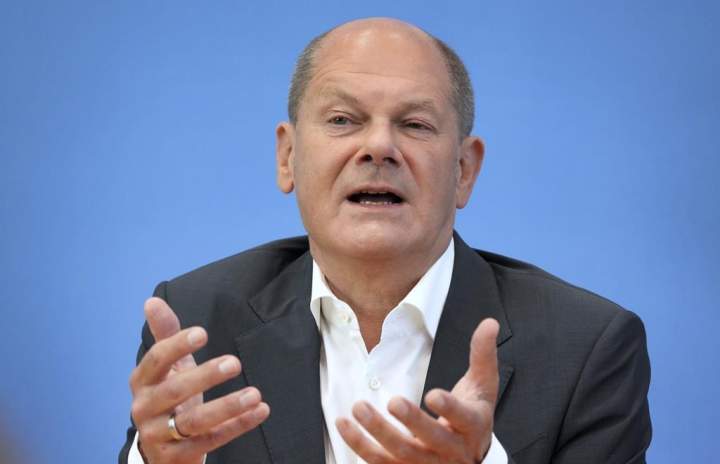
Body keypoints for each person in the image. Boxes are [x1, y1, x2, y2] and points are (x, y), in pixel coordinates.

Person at [119, 17, 651, 464]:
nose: (378, 146)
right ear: (288, 157)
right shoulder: (195, 323)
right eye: (342, 119)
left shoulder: (585, 350)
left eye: (415, 124)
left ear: (464, 170)